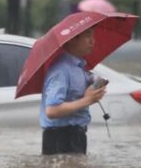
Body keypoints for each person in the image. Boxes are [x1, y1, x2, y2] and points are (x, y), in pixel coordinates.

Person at [40, 27, 106, 155]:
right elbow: (52, 110)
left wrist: (93, 88)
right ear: (72, 40)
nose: (92, 41)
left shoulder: (80, 67)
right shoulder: (60, 70)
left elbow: (78, 96)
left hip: (77, 134)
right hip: (60, 137)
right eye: (87, 36)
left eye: (93, 36)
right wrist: (87, 100)